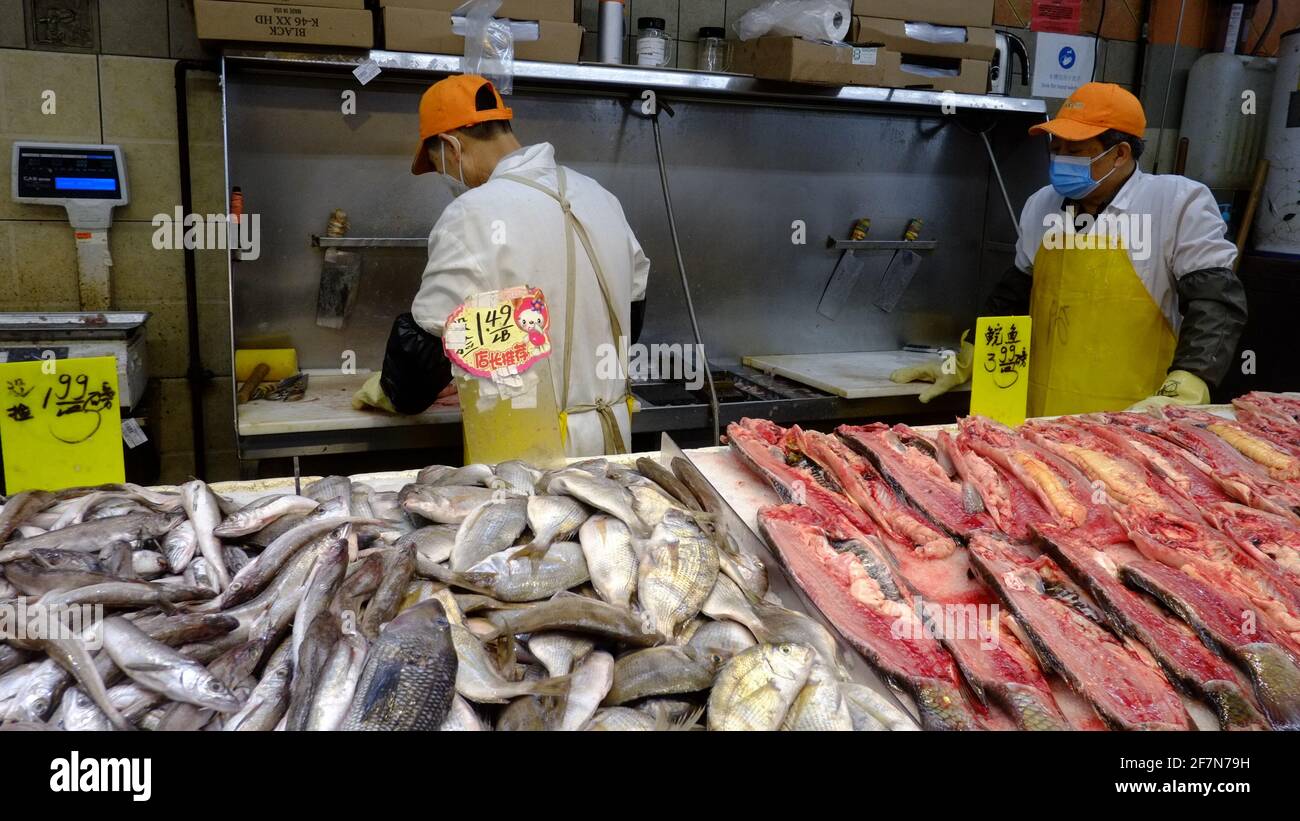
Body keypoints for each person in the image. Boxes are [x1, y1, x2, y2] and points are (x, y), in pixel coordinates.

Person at [892, 82, 1247, 416]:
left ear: (1120, 153)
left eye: (1075, 151)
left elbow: (1215, 300)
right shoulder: (1041, 204)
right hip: (1041, 420)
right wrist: (968, 359)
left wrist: (1193, 375)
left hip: (1135, 422)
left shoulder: (1176, 202)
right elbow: (1013, 298)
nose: (1060, 160)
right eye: (1056, 148)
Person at [353, 75, 650, 456]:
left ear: (450, 146)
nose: (446, 177)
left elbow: (415, 379)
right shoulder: (600, 196)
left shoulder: (471, 214)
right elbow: (631, 319)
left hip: (529, 453)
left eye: (439, 165)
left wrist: (387, 389)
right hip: (613, 437)